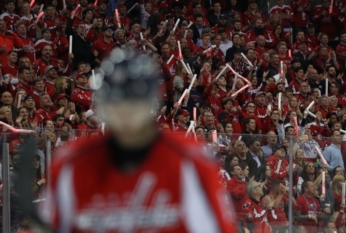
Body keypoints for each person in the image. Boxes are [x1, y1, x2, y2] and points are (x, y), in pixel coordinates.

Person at [40, 49, 235, 232]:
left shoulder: (191, 159)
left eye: (133, 101)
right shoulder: (71, 164)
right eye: (117, 102)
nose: (125, 112)